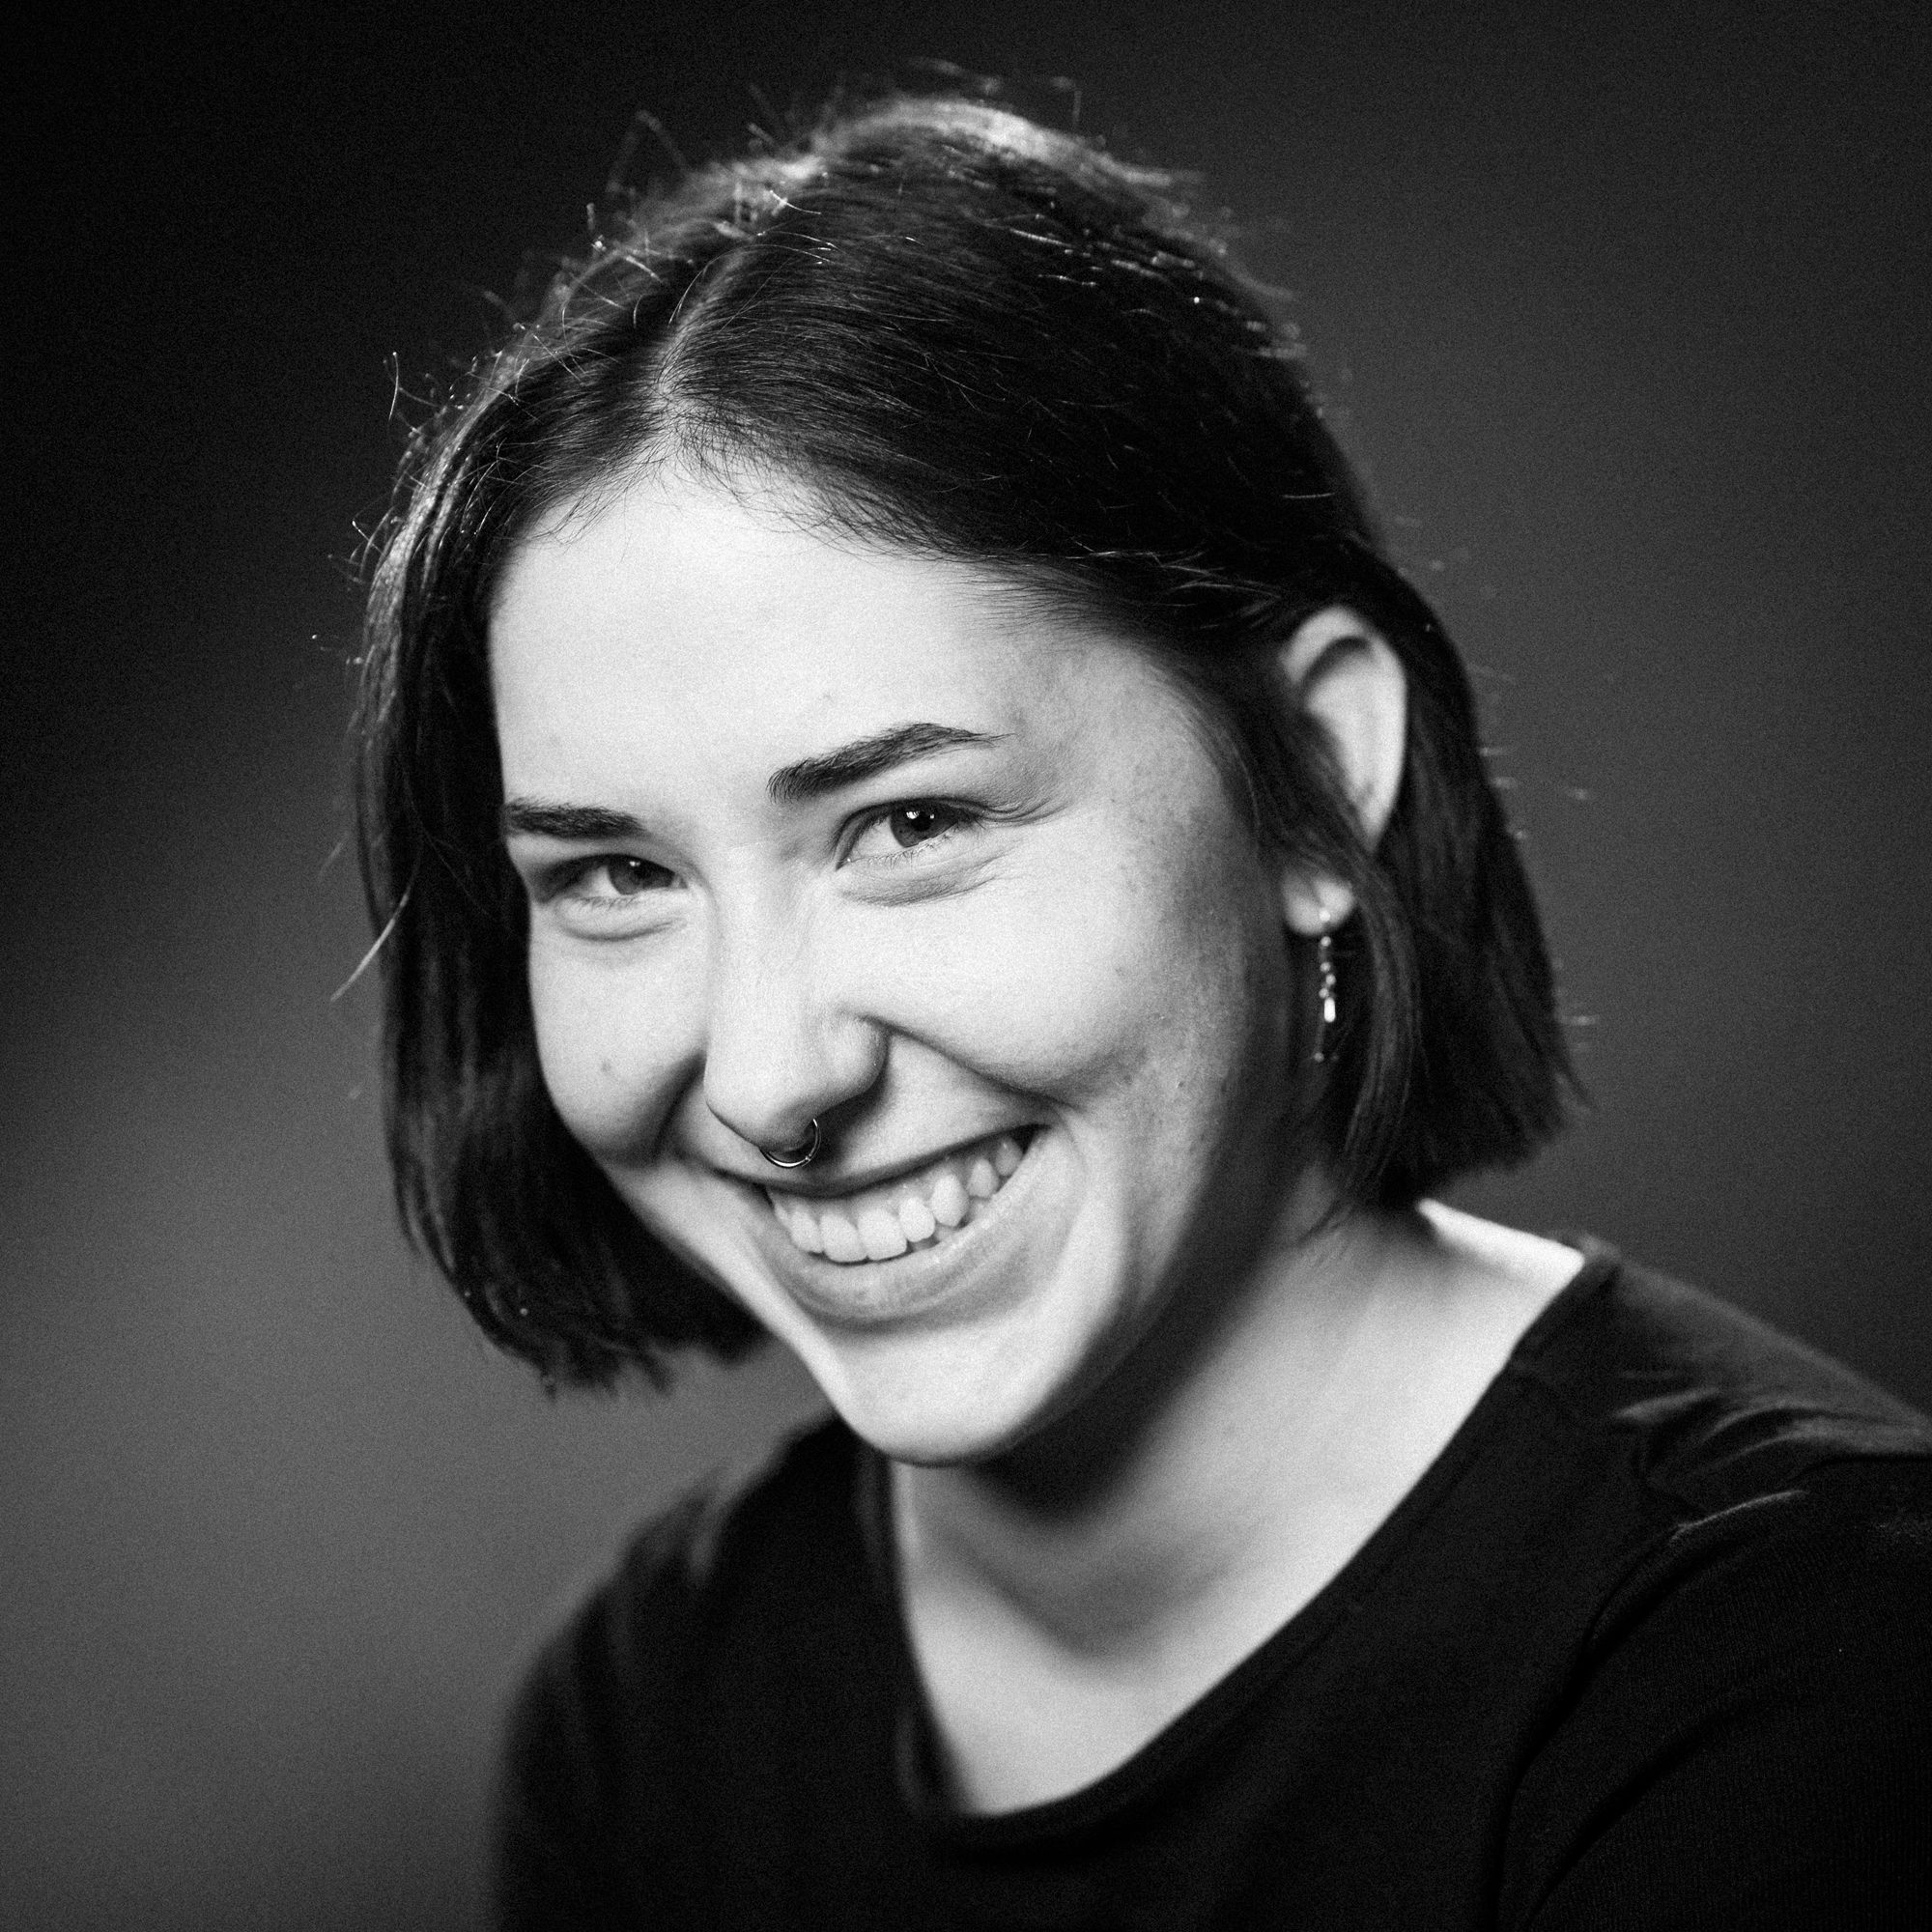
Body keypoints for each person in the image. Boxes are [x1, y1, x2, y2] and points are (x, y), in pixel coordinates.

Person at [354, 94, 1932, 1928]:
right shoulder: (646, 1717)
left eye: (911, 824)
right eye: (617, 875)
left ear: (1316, 778)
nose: (773, 1077)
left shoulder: (1807, 1659)